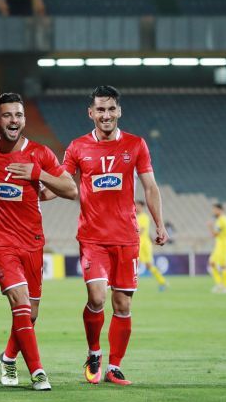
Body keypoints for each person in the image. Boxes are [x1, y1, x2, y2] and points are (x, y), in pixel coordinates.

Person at [63, 85, 168, 386]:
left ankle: (115, 366)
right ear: (91, 113)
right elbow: (62, 181)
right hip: (92, 237)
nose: (106, 115)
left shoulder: (136, 144)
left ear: (119, 111)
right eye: (100, 109)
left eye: (111, 109)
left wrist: (159, 224)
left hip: (126, 237)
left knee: (122, 306)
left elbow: (150, 186)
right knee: (97, 297)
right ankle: (94, 352)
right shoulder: (77, 147)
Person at [0, 93, 77, 391]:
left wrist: (38, 174)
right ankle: (38, 372)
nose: (14, 120)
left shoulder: (39, 154)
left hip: (32, 242)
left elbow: (71, 189)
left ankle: (7, 358)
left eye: (18, 115)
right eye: (7, 115)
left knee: (30, 313)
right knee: (20, 302)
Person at [136, 200, 168, 291]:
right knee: (140, 264)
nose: (136, 207)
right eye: (135, 205)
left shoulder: (144, 217)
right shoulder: (135, 216)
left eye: (138, 205)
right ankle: (162, 282)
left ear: (142, 207)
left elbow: (141, 231)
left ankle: (162, 282)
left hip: (144, 245)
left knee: (146, 265)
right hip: (138, 244)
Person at [208, 203, 226, 294]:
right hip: (222, 244)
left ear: (220, 210)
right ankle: (220, 284)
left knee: (223, 266)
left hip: (222, 245)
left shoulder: (221, 221)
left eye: (215, 210)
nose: (213, 212)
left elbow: (215, 234)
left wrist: (210, 227)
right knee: (212, 262)